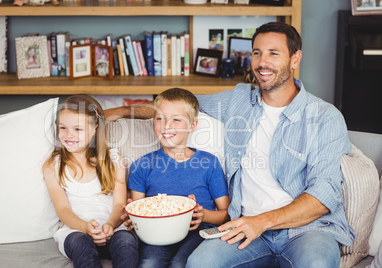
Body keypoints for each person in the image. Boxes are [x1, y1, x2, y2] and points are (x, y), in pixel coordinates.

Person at [105, 21, 355, 267]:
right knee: (201, 263)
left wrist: (261, 222)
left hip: (307, 231)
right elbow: (177, 107)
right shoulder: (239, 100)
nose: (262, 62)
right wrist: (117, 112)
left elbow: (323, 197)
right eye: (257, 53)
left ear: (295, 59)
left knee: (317, 264)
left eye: (273, 53)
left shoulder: (324, 117)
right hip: (243, 227)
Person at [124, 88, 231, 267]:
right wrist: (132, 220)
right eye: (160, 118)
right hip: (157, 233)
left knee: (181, 264)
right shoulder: (141, 166)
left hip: (199, 230)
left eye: (176, 119)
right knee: (149, 263)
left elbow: (226, 214)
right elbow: (137, 209)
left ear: (192, 126)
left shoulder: (209, 163)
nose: (166, 126)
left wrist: (203, 215)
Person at [43, 94, 139, 268]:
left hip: (114, 228)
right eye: (63, 127)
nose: (68, 135)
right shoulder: (53, 166)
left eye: (78, 129)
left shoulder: (114, 160)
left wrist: (110, 224)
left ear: (95, 128)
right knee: (81, 245)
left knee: (126, 242)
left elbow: (119, 204)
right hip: (75, 231)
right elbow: (62, 209)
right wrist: (85, 227)